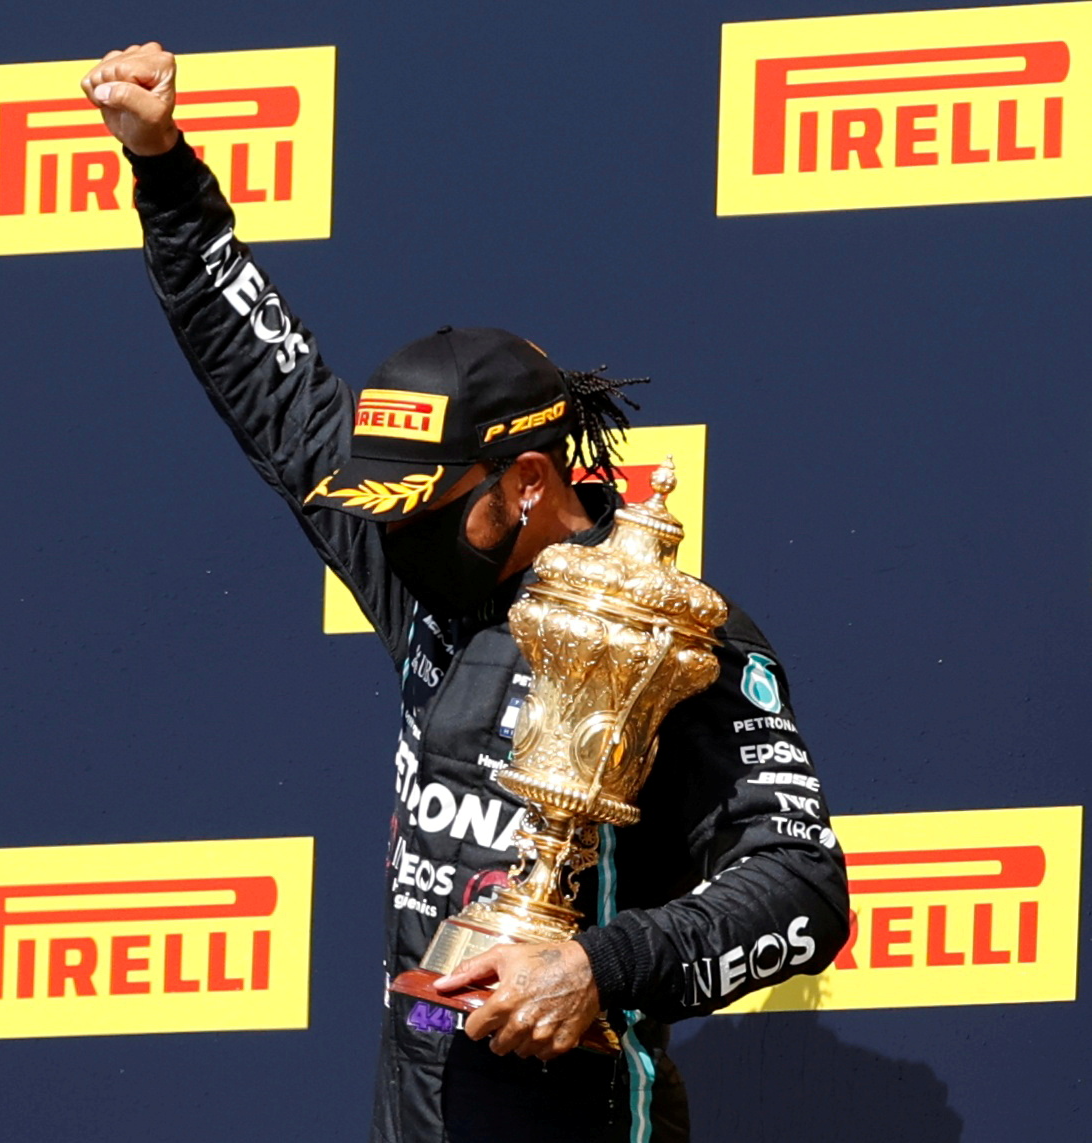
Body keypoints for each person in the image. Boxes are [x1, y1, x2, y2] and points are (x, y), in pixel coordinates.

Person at [81, 43, 850, 1143]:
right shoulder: (416, 565)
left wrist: (593, 964)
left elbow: (803, 889)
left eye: (427, 504)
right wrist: (161, 166)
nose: (392, 528)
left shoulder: (677, 638)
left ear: (527, 483)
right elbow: (266, 383)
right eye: (381, 502)